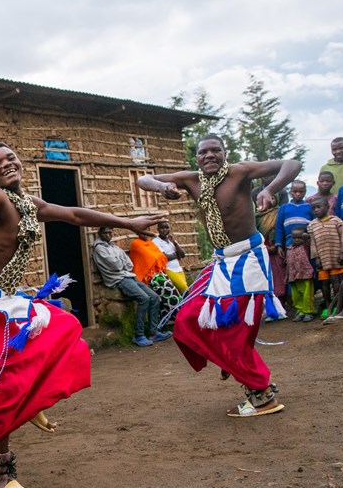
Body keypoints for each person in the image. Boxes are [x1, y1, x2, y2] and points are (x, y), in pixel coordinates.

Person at [0, 145, 164, 488]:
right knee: (4, 382)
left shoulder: (30, 204)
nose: (6, 164)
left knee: (63, 326)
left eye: (10, 158)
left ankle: (29, 399)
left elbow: (74, 213)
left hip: (1, 299)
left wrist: (127, 223)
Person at [136, 134, 300, 417]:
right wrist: (163, 186)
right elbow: (142, 180)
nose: (209, 156)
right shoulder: (192, 180)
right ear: (196, 157)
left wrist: (269, 189)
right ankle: (230, 362)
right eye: (203, 152)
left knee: (235, 333)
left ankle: (261, 395)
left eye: (216, 151)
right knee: (188, 319)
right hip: (221, 262)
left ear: (225, 153)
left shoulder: (240, 173)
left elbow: (292, 163)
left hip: (248, 259)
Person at [92, 226, 172, 347]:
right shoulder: (99, 248)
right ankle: (139, 335)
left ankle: (153, 332)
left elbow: (129, 264)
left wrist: (120, 263)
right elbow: (115, 266)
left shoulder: (113, 246)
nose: (108, 235)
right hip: (118, 279)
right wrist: (121, 263)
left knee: (154, 298)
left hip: (129, 275)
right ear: (100, 234)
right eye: (105, 233)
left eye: (110, 233)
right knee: (144, 299)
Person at [307, 196, 343, 317]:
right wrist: (316, 258)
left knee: (336, 281)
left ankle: (337, 306)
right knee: (324, 282)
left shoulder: (336, 221)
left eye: (318, 207)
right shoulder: (312, 225)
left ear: (327, 207)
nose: (316, 210)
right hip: (322, 258)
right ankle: (327, 305)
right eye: (313, 208)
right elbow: (313, 244)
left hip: (336, 256)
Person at [128, 234, 183, 324]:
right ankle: (178, 316)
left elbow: (159, 256)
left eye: (147, 233)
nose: (146, 235)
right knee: (169, 290)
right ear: (138, 232)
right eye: (143, 232)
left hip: (158, 272)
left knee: (172, 291)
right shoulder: (136, 244)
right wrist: (176, 255)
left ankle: (170, 317)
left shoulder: (149, 243)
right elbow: (149, 258)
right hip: (147, 275)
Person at [274, 180, 314, 254]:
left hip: (306, 242)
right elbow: (279, 228)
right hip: (289, 242)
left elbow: (314, 224)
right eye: (295, 191)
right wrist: (279, 245)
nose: (298, 194)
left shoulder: (309, 207)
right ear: (290, 191)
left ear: (305, 192)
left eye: (301, 192)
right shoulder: (284, 207)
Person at [285, 226, 315, 322]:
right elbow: (288, 264)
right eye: (294, 238)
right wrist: (287, 276)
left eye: (299, 237)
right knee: (296, 295)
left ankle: (308, 312)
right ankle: (300, 311)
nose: (297, 240)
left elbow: (308, 238)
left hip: (306, 275)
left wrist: (304, 236)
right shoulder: (289, 249)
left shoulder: (306, 246)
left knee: (307, 295)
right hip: (293, 276)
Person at [151, 220, 189, 293]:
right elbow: (165, 257)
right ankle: (189, 304)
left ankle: (183, 304)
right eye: (162, 228)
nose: (164, 230)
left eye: (167, 227)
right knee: (184, 288)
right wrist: (177, 255)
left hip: (179, 269)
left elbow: (183, 254)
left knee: (181, 290)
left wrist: (174, 243)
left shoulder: (171, 240)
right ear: (158, 229)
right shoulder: (156, 241)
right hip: (168, 269)